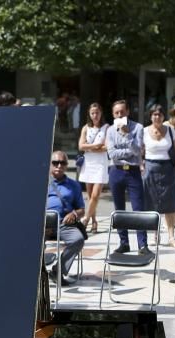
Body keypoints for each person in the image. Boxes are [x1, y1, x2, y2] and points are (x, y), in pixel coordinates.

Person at [105, 100, 148, 254]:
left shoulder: (138, 128)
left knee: (138, 209)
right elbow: (112, 154)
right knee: (119, 209)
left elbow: (137, 151)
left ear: (128, 112)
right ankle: (124, 242)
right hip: (116, 170)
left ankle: (142, 245)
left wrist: (126, 134)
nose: (119, 115)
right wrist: (127, 152)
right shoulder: (110, 130)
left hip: (133, 171)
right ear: (113, 114)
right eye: (116, 113)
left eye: (122, 112)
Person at [45, 151, 86, 287]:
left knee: (78, 239)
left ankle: (57, 271)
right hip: (43, 224)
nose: (58, 166)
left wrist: (74, 214)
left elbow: (82, 210)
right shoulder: (41, 181)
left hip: (64, 224)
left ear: (67, 165)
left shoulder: (74, 185)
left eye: (62, 163)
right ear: (50, 164)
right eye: (55, 163)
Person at [143, 105, 175, 246]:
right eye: (154, 114)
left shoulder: (171, 130)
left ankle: (171, 237)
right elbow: (139, 151)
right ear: (150, 116)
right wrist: (142, 167)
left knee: (170, 204)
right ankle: (155, 235)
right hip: (150, 169)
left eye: (159, 114)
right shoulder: (144, 131)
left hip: (168, 169)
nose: (157, 117)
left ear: (163, 116)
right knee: (152, 203)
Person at [78, 103, 109, 234]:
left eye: (97, 112)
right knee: (90, 195)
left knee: (95, 195)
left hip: (101, 163)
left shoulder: (107, 128)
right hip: (88, 163)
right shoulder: (86, 127)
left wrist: (89, 147)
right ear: (89, 114)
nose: (95, 115)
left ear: (101, 113)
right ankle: (94, 221)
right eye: (92, 113)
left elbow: (107, 147)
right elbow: (80, 146)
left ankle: (85, 220)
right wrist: (96, 146)